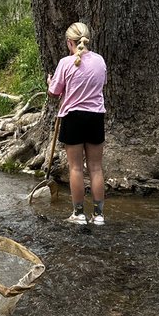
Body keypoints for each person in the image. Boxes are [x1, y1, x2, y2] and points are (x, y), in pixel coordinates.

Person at [47, 21, 108, 226]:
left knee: (76, 168)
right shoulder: (100, 61)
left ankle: (79, 213)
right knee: (96, 168)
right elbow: (101, 84)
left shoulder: (66, 63)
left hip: (73, 117)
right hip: (95, 117)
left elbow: (54, 93)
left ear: (69, 42)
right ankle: (99, 215)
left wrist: (50, 83)